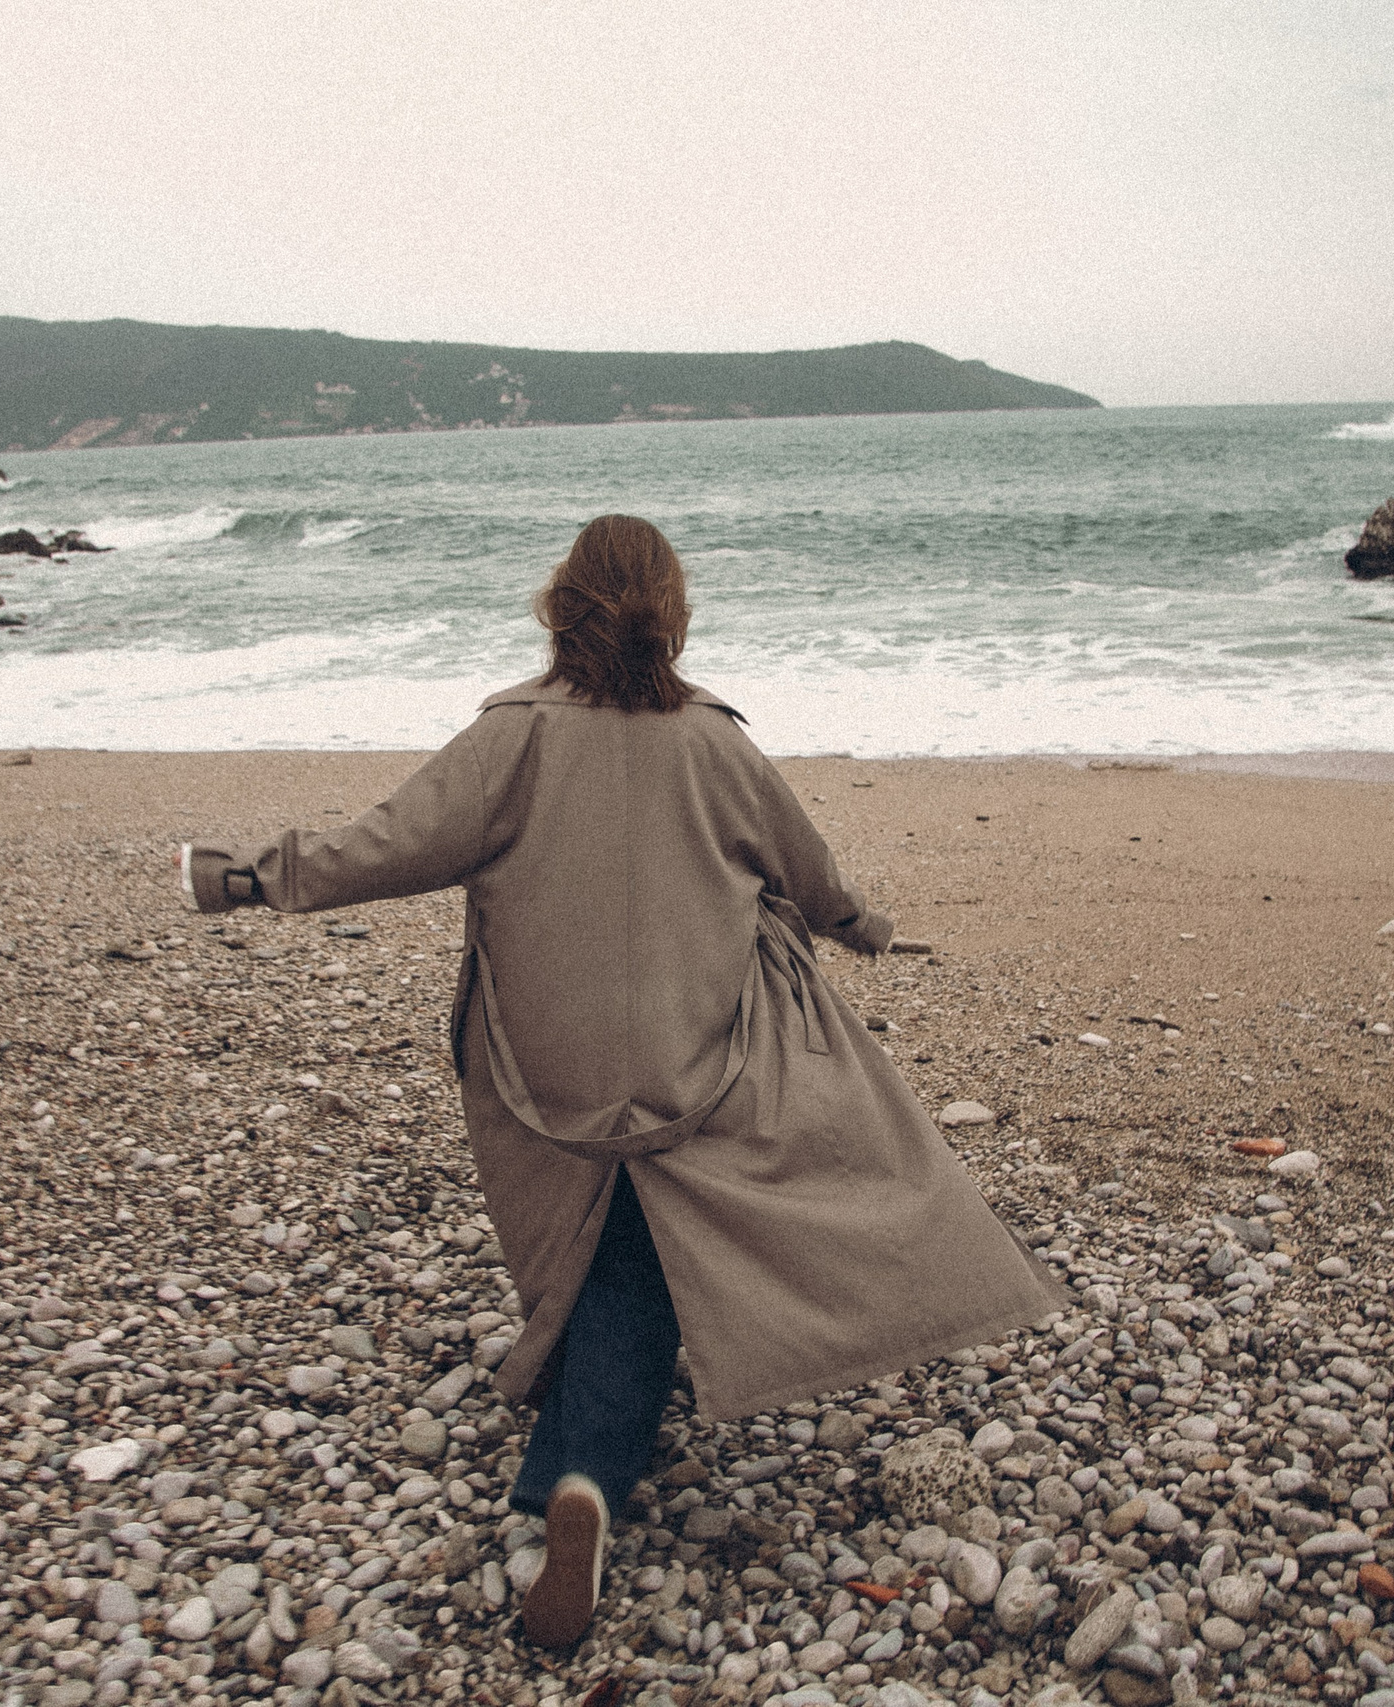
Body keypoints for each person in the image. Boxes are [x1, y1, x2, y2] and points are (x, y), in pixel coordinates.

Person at [178, 515, 1064, 1646]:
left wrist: (241, 880)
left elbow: (386, 845)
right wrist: (857, 927)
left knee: (609, 1231)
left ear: (560, 605)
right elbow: (808, 872)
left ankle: (574, 1458)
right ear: (672, 609)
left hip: (542, 1057)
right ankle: (587, 1467)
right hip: (701, 1052)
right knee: (648, 1233)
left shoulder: (511, 739)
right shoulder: (717, 743)